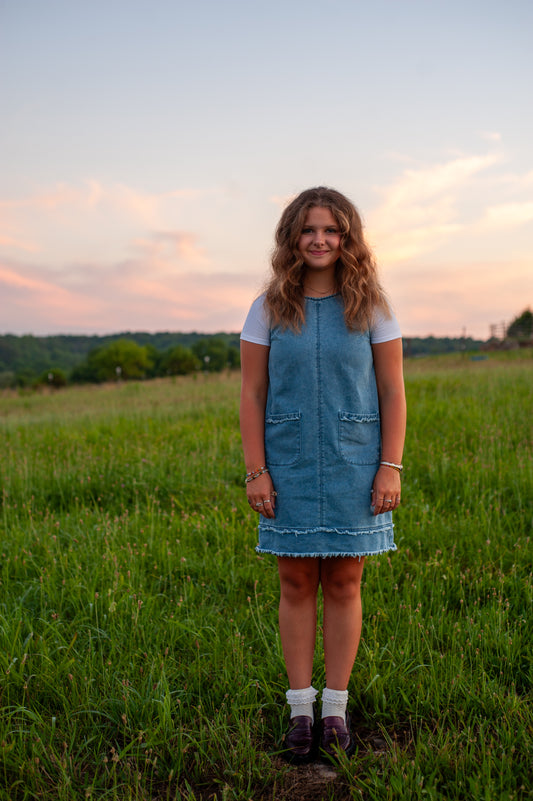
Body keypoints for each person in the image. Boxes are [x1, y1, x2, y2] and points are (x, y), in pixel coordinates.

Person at [239, 187, 406, 762]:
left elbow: (392, 391)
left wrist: (389, 465)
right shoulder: (267, 306)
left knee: (344, 583)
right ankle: (300, 710)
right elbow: (252, 392)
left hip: (354, 461)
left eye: (331, 231)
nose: (319, 240)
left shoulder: (372, 305)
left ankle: (335, 707)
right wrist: (256, 470)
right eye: (308, 230)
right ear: (292, 237)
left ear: (347, 238)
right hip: (286, 464)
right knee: (294, 583)